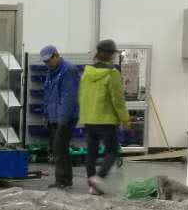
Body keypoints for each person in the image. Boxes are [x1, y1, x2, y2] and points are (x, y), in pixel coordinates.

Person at [78, 39, 129, 195]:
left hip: (89, 118)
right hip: (106, 119)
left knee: (91, 153)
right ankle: (98, 179)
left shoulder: (87, 73)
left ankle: (92, 184)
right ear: (111, 55)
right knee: (112, 151)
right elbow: (118, 99)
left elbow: (82, 96)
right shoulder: (112, 73)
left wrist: (85, 114)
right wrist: (125, 119)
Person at [39, 45, 80, 190]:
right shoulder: (52, 71)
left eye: (49, 60)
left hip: (66, 117)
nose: (47, 64)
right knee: (60, 148)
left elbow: (68, 97)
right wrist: (46, 115)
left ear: (56, 55)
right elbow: (48, 95)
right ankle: (65, 180)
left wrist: (63, 120)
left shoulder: (68, 70)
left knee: (59, 149)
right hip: (54, 116)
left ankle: (62, 181)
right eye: (45, 62)